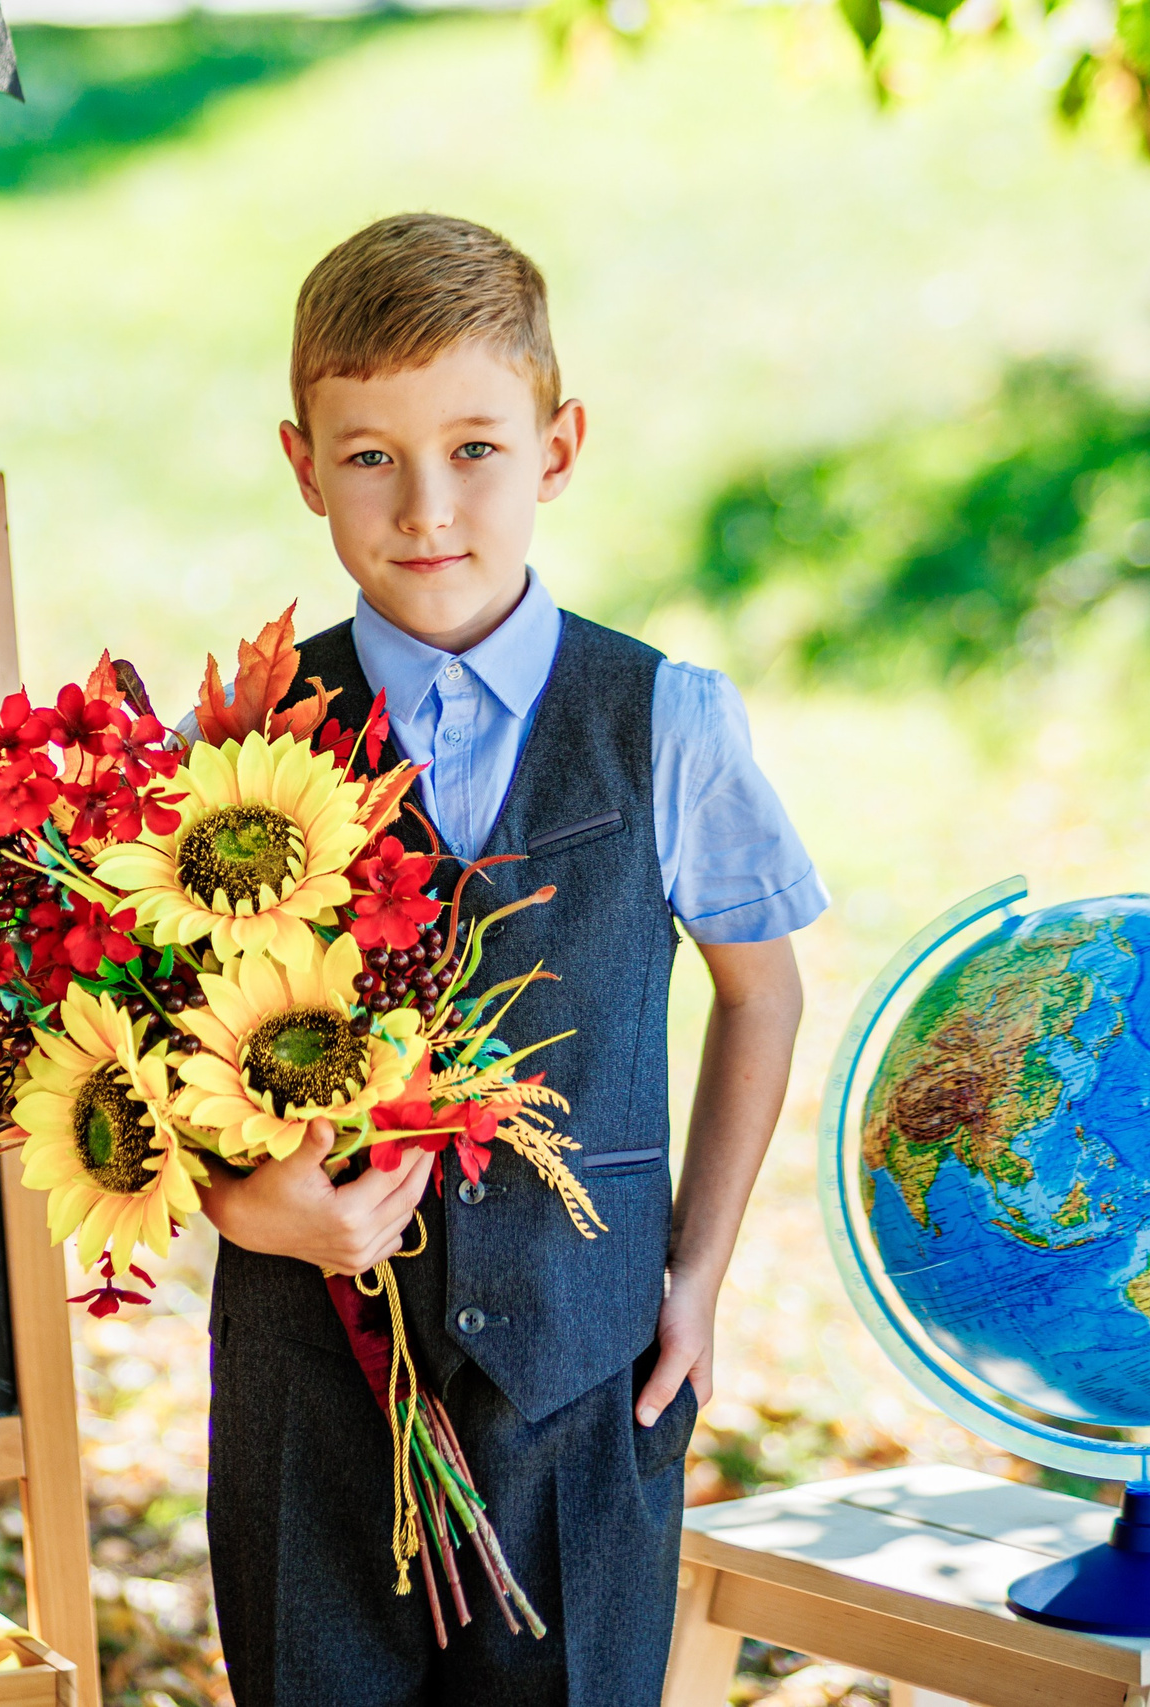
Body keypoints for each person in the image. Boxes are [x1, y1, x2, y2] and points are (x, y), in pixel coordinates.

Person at [198, 212, 825, 1706]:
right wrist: (246, 1204)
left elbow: (762, 990)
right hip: (308, 1386)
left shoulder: (666, 722)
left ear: (558, 446)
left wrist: (696, 1275)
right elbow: (154, 1058)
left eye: (474, 448)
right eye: (371, 456)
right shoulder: (232, 749)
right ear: (303, 466)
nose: (427, 507)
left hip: (585, 1379)